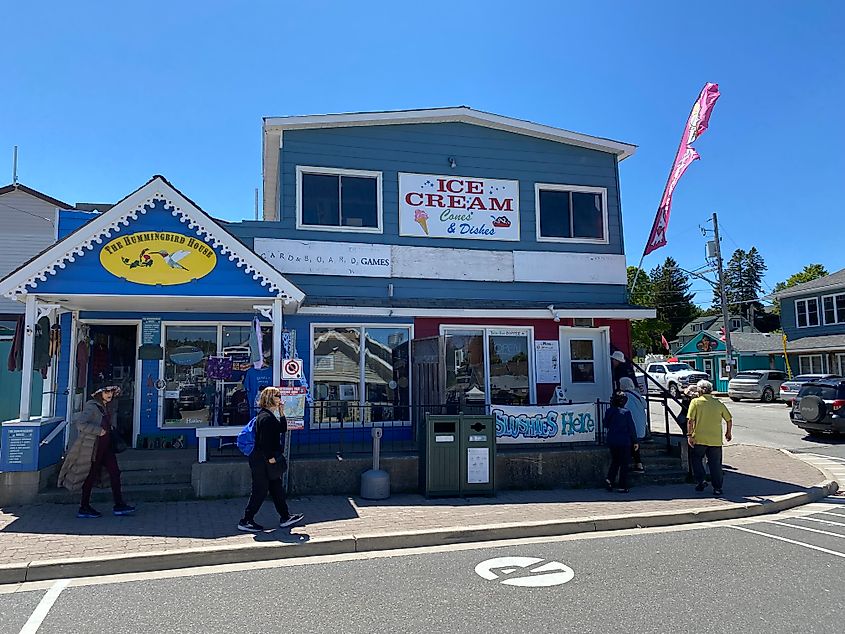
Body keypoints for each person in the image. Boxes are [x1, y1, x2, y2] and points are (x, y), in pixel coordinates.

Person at [57, 386, 135, 518]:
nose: (109, 394)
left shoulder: (107, 406)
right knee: (90, 475)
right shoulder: (92, 406)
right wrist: (98, 431)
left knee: (115, 473)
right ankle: (84, 506)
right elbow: (81, 424)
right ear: (100, 394)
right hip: (94, 447)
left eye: (111, 392)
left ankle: (119, 504)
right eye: (106, 392)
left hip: (106, 447)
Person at [238, 386, 304, 532]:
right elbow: (264, 441)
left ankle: (285, 516)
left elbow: (282, 429)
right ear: (269, 398)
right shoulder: (266, 418)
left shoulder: (268, 415)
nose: (280, 398)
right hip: (262, 459)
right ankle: (246, 520)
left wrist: (282, 412)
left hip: (264, 458)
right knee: (260, 490)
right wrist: (270, 458)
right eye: (277, 396)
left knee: (276, 488)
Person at [687, 380, 733, 496]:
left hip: (699, 438)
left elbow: (690, 420)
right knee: (715, 464)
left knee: (696, 459)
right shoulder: (718, 403)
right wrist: (728, 433)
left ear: (699, 390)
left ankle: (701, 480)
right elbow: (729, 419)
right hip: (715, 439)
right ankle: (717, 488)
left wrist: (689, 435)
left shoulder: (695, 402)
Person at [603, 391, 639, 493]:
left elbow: (605, 424)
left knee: (615, 461)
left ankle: (610, 479)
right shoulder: (626, 412)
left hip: (612, 440)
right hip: (624, 441)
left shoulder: (609, 411)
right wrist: (635, 441)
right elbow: (631, 428)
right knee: (624, 463)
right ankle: (622, 485)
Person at [619, 377, 647, 472]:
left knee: (631, 445)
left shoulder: (624, 396)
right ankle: (638, 464)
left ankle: (636, 465)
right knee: (635, 444)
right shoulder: (637, 395)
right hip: (640, 423)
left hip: (631, 424)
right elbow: (645, 405)